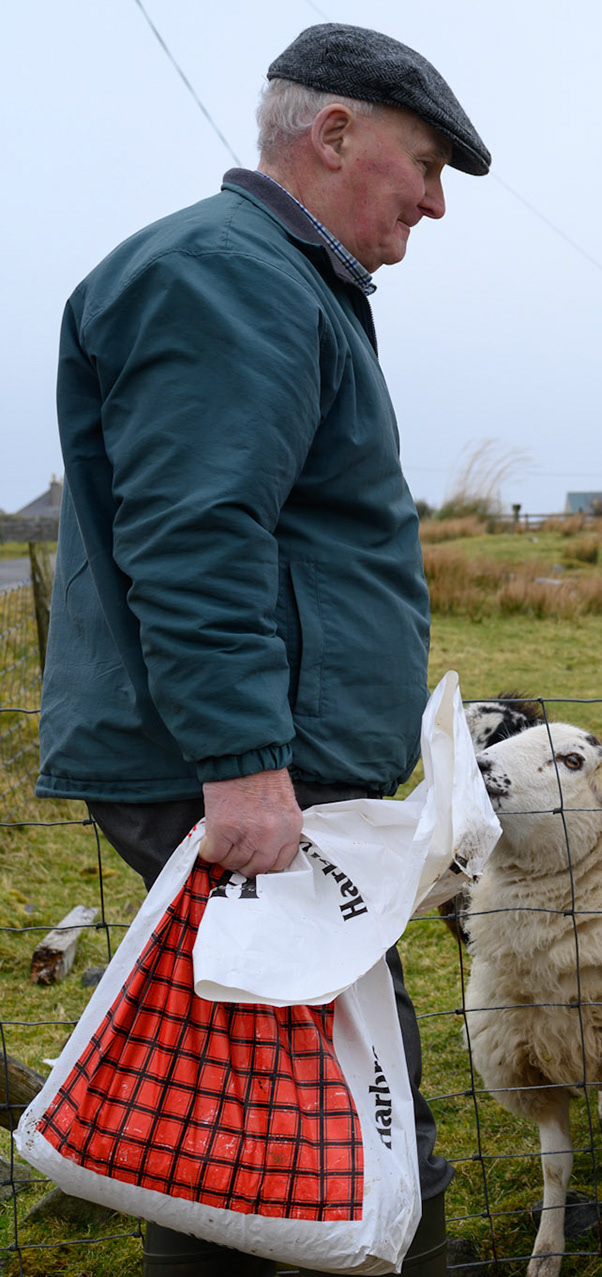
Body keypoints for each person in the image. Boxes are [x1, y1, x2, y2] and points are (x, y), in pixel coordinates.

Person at [38, 23, 490, 1277]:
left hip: (270, 771)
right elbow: (198, 529)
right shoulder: (228, 276)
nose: (436, 203)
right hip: (240, 779)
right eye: (426, 163)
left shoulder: (273, 277)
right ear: (334, 134)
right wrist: (242, 763)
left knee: (258, 1109)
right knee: (347, 1114)